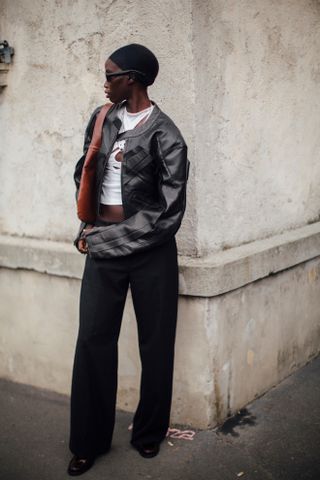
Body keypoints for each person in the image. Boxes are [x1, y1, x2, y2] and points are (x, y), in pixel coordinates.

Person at [67, 43, 189, 476]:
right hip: (102, 245)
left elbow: (168, 212)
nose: (105, 80)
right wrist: (87, 227)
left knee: (155, 345)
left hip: (151, 255)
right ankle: (87, 440)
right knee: (92, 342)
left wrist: (108, 238)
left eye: (110, 73)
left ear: (131, 79)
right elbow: (86, 171)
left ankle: (149, 433)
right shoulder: (104, 118)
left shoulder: (167, 134)